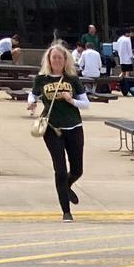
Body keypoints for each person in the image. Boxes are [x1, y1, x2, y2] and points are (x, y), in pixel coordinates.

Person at [26, 42, 90, 222]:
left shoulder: (72, 79)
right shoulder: (42, 79)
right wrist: (31, 102)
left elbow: (86, 104)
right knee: (60, 170)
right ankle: (66, 211)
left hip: (74, 127)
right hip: (52, 128)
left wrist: (71, 100)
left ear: (65, 60)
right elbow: (33, 94)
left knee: (77, 170)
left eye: (60, 58)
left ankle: (66, 186)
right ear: (49, 59)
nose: (56, 60)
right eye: (53, 57)